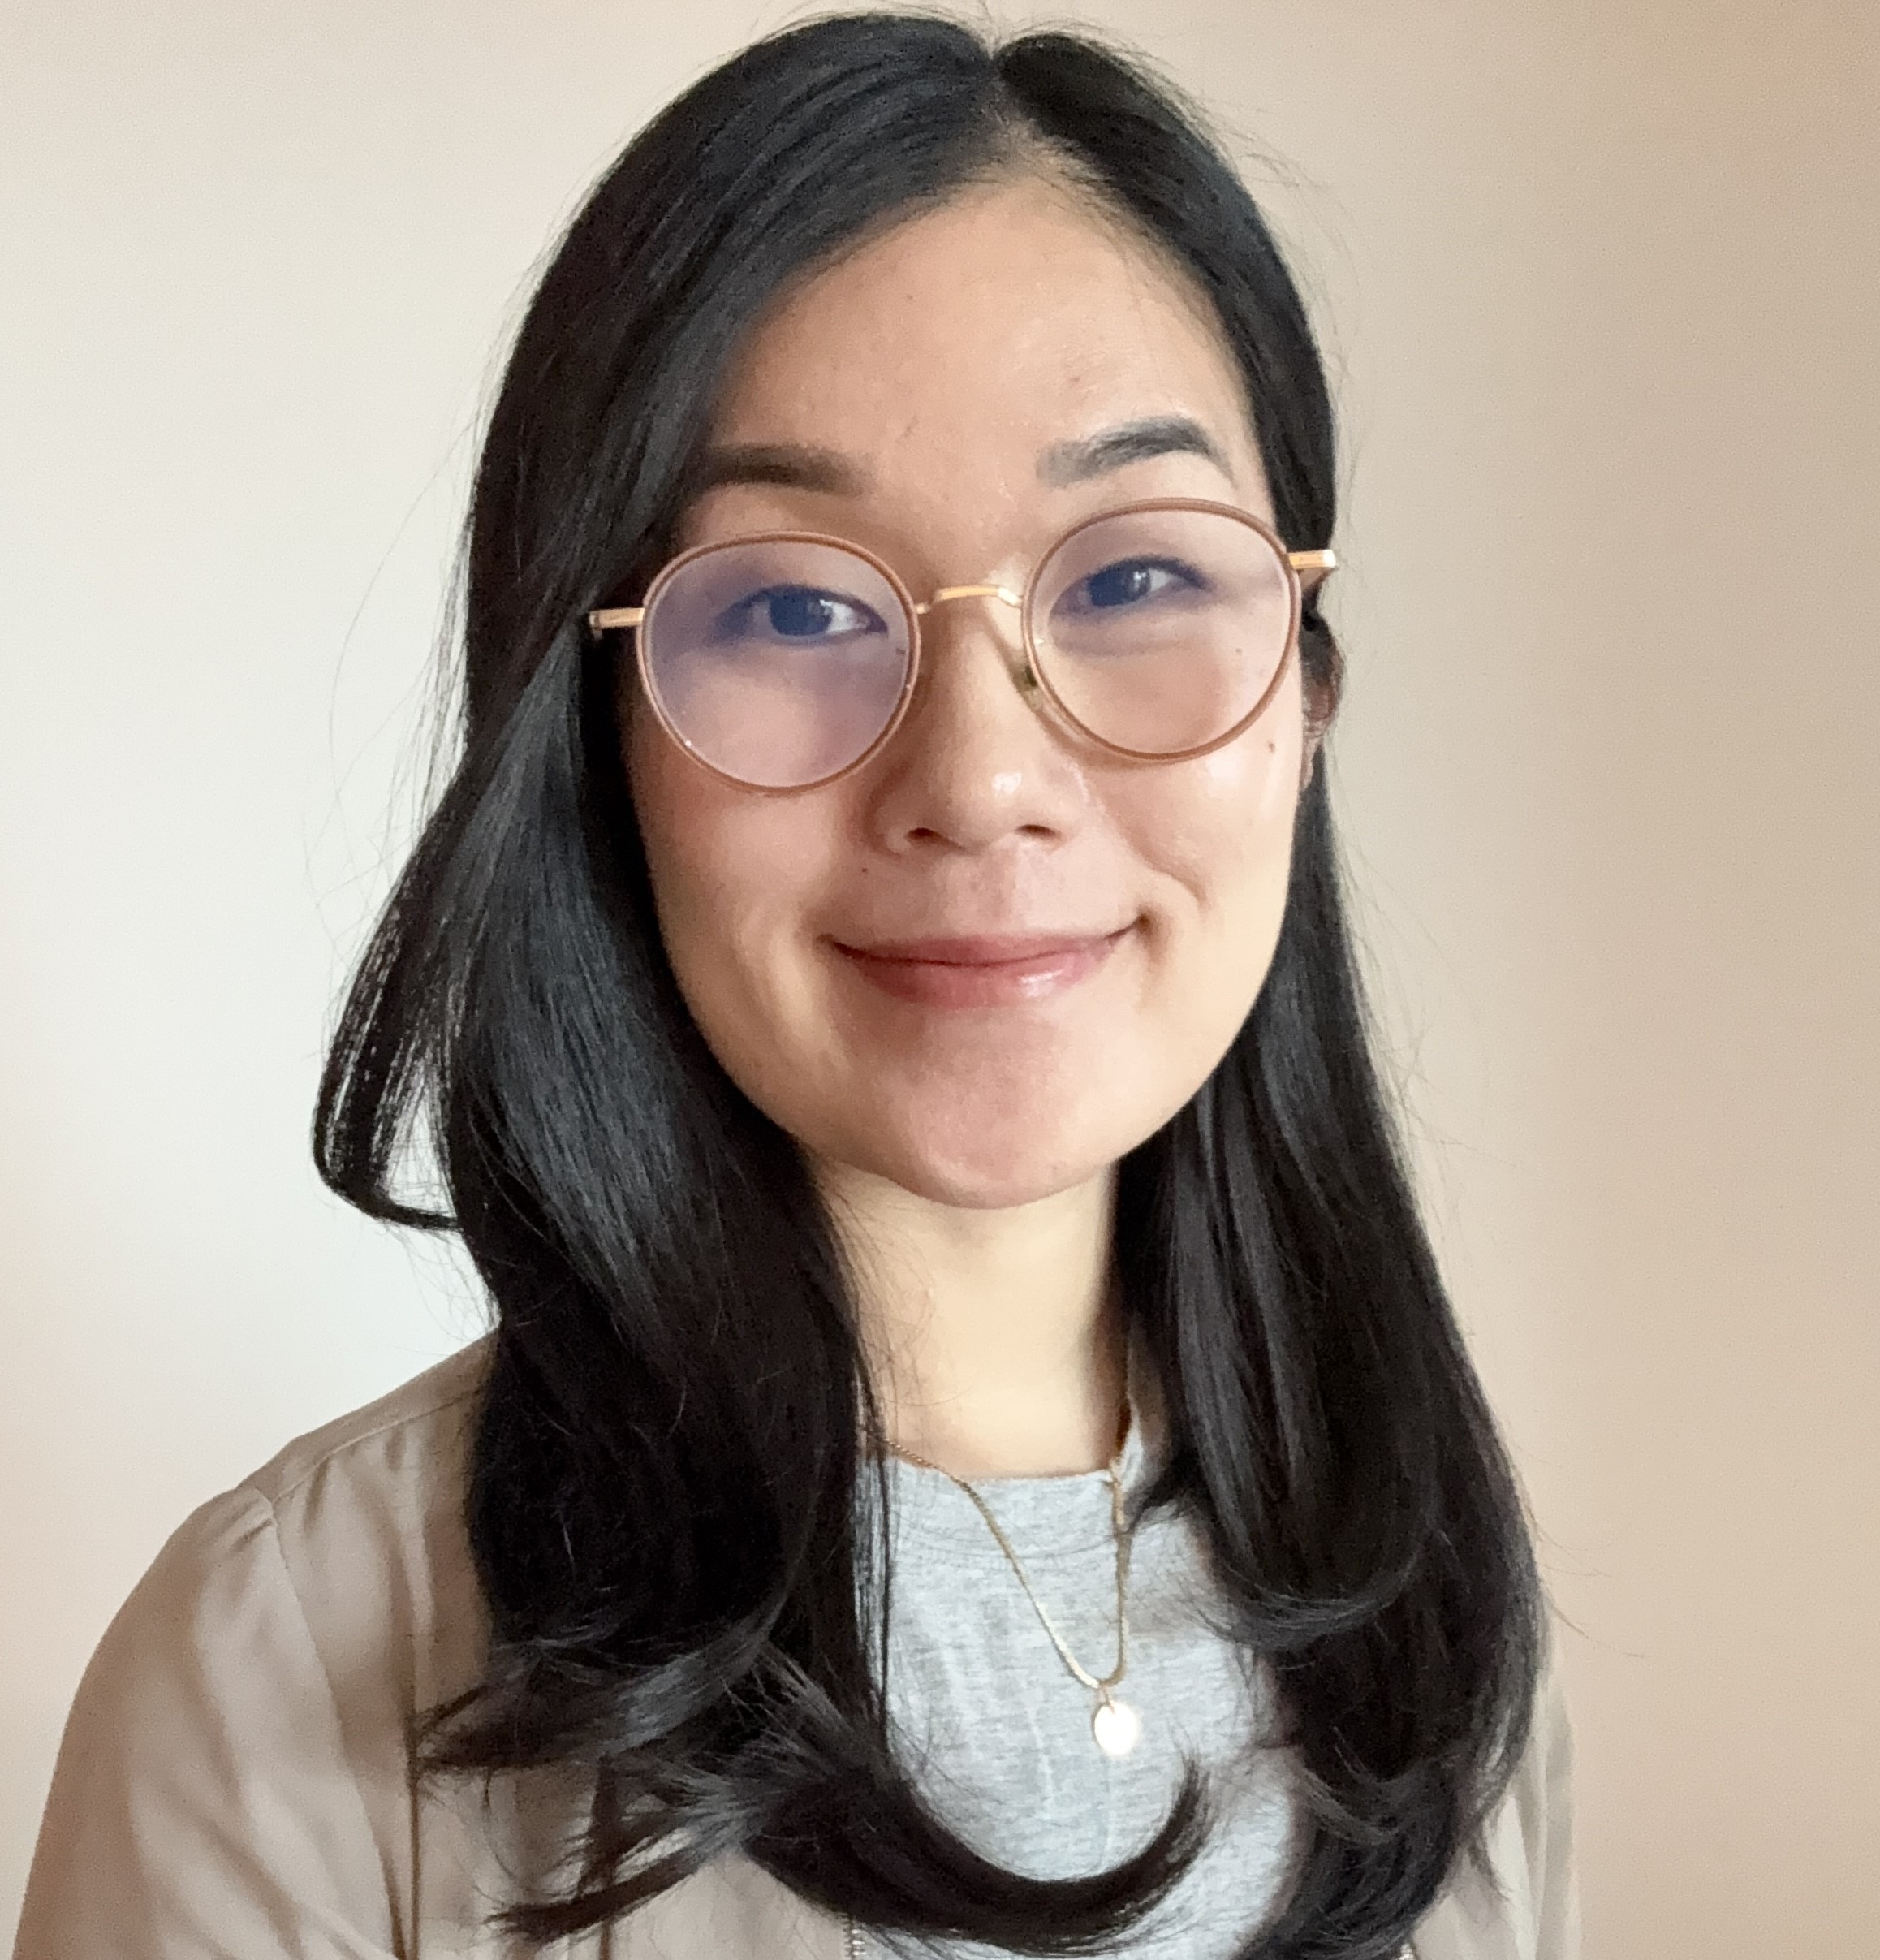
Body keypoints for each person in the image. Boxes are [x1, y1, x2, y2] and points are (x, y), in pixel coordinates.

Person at [13, 14, 1576, 1959]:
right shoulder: (278, 1677)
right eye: (788, 606)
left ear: (1309, 691)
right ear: (600, 741)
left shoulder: (1425, 1616)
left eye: (1135, 578)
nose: (982, 779)